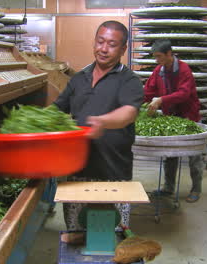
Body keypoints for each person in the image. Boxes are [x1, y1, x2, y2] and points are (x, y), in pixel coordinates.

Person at [53, 20, 144, 242]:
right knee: (76, 235)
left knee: (109, 237)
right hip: (77, 170)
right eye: (100, 41)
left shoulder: (129, 80)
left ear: (123, 50)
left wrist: (103, 122)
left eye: (112, 44)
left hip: (113, 173)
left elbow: (128, 113)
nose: (103, 48)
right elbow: (56, 109)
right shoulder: (78, 78)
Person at [143, 39, 204, 203]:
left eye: (159, 56)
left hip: (189, 117)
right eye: (155, 57)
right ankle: (168, 188)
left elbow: (184, 94)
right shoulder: (159, 71)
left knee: (194, 156)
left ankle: (196, 189)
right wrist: (135, 102)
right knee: (170, 154)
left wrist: (161, 100)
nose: (157, 60)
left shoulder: (184, 70)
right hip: (171, 118)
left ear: (170, 54)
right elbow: (148, 91)